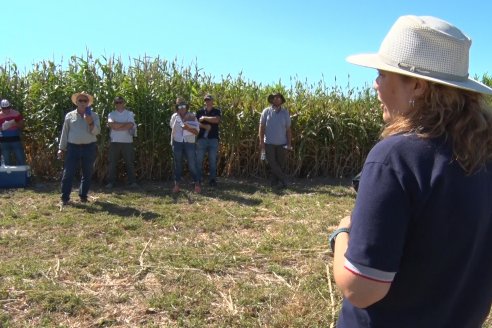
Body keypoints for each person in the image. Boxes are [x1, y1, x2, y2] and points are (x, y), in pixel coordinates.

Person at [330, 15, 492, 327]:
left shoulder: (396, 157)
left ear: (416, 85)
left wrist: (341, 234)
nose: (375, 85)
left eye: (382, 74)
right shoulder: (484, 156)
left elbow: (360, 288)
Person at [57, 92, 101, 205]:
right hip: (73, 147)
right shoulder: (69, 116)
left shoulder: (94, 115)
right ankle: (64, 198)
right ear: (76, 102)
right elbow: (65, 132)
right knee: (68, 173)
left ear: (88, 103)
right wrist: (61, 148)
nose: (82, 103)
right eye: (80, 101)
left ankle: (83, 196)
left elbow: (97, 132)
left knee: (87, 173)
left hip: (89, 147)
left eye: (85, 101)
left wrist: (90, 122)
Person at [258, 92, 292, 188]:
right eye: (274, 98)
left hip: (282, 144)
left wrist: (289, 144)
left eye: (278, 98)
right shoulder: (266, 111)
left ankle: (274, 183)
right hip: (269, 143)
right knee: (272, 163)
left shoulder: (285, 113)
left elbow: (288, 130)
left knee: (279, 164)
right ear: (272, 100)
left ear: (281, 100)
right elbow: (261, 127)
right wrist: (261, 142)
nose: (276, 99)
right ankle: (284, 180)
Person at [106, 96, 138, 189]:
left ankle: (132, 182)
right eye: (117, 102)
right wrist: (124, 124)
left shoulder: (129, 113)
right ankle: (111, 182)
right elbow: (111, 124)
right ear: (115, 104)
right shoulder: (111, 114)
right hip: (114, 141)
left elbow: (130, 125)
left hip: (127, 141)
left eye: (120, 102)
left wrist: (117, 126)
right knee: (112, 163)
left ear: (124, 103)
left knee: (129, 162)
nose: (119, 104)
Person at [170, 99, 201, 193]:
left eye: (184, 106)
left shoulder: (192, 116)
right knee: (177, 164)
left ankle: (197, 184)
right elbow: (172, 128)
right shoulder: (174, 117)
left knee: (192, 164)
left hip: (189, 143)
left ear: (187, 107)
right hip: (177, 142)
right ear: (177, 108)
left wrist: (187, 127)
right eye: (179, 107)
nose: (182, 108)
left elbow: (196, 132)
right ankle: (177, 185)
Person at [196, 94, 221, 187]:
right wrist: (205, 126)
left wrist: (205, 118)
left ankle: (212, 180)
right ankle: (198, 179)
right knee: (198, 160)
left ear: (212, 101)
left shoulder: (216, 111)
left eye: (209, 100)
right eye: (206, 100)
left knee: (212, 160)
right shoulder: (200, 111)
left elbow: (216, 120)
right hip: (202, 139)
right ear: (204, 101)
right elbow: (196, 123)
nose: (208, 102)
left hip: (213, 139)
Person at [0, 99, 26, 165]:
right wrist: (2, 128)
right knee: (7, 161)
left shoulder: (16, 113)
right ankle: (7, 175)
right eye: (4, 108)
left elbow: (22, 125)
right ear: (1, 108)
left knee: (20, 158)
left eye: (7, 108)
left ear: (10, 107)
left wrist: (15, 124)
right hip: (4, 141)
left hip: (15, 140)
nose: (6, 110)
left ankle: (21, 174)